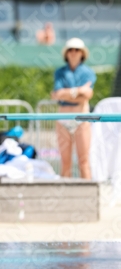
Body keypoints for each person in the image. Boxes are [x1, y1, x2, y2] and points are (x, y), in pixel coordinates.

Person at [51, 37, 96, 179]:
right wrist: (78, 92)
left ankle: (88, 197)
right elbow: (57, 94)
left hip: (81, 120)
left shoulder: (88, 72)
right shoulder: (60, 72)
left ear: (82, 53)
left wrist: (66, 94)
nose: (73, 52)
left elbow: (87, 95)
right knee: (65, 162)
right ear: (66, 53)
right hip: (63, 120)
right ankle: (66, 199)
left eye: (77, 49)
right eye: (70, 49)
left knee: (84, 161)